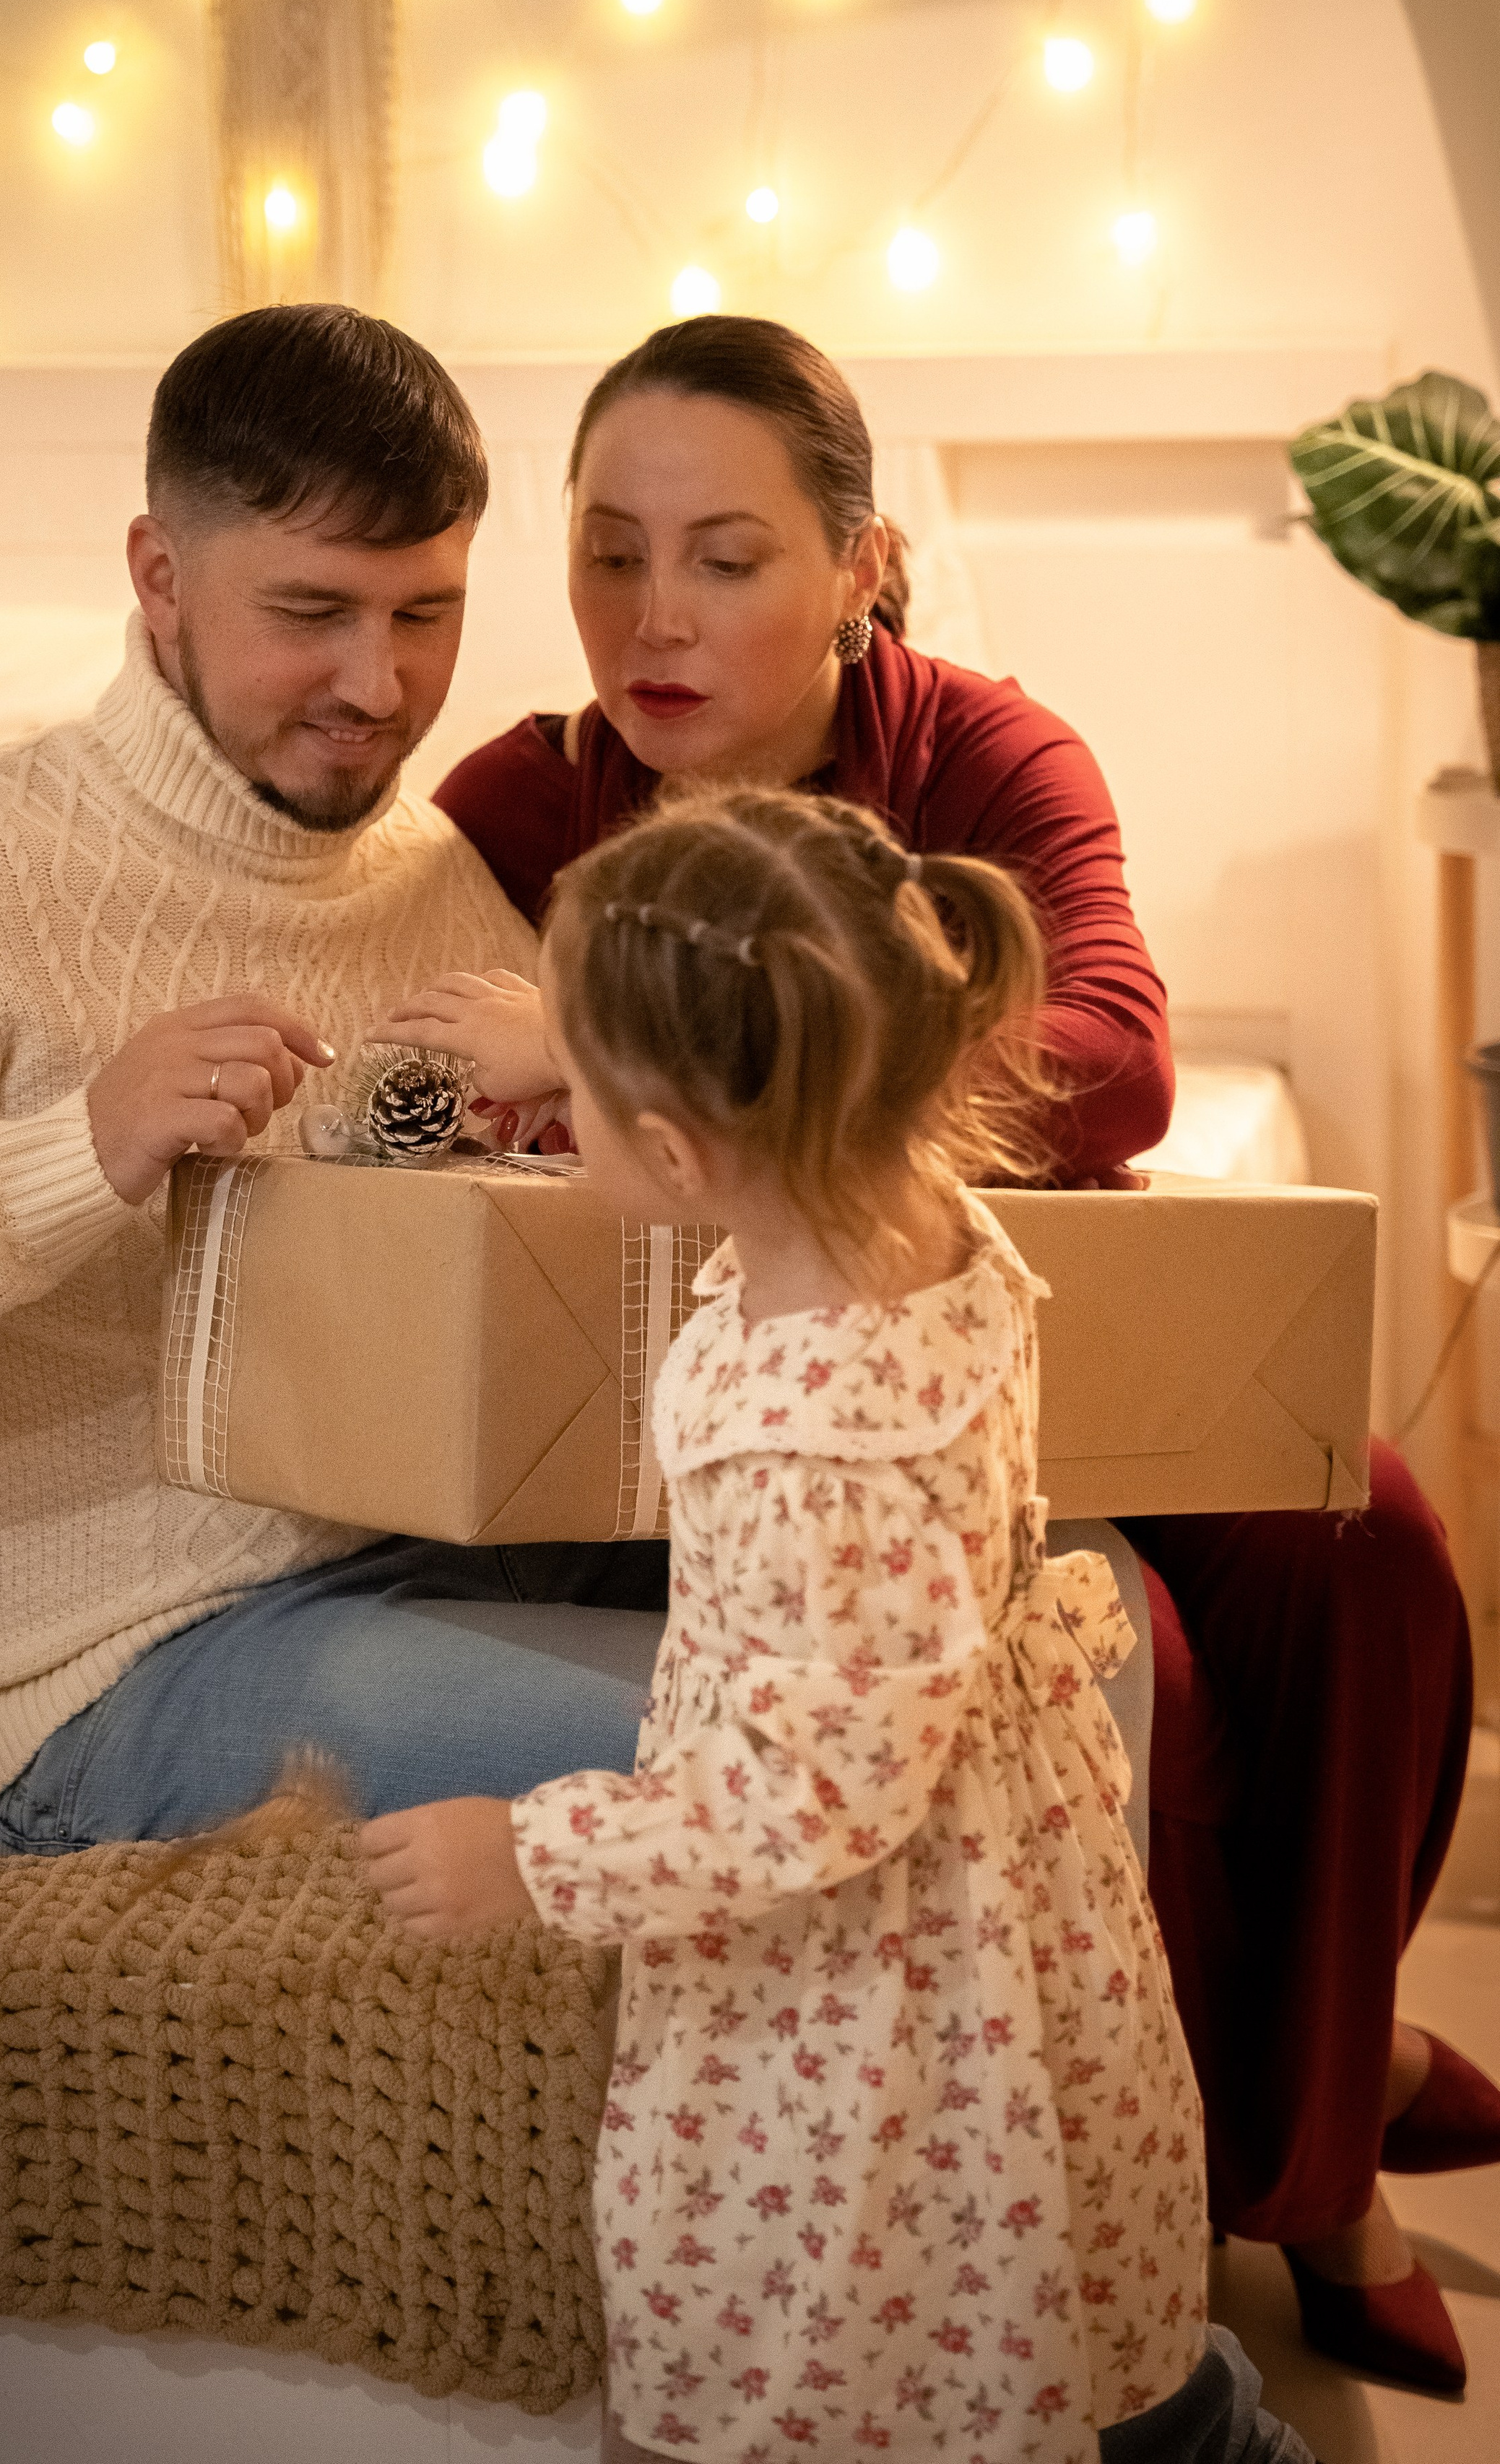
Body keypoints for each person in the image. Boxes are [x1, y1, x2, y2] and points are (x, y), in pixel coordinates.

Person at [401, 314, 1494, 2396]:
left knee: (1372, 1546)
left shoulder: (979, 749)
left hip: (1011, 1320)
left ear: (864, 562)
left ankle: (1311, 2131)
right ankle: (1312, 2153)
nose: (654, 612)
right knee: (1131, 1672)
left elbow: (1121, 1067)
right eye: (609, 549)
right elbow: (409, 1095)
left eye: (726, 554)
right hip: (760, 1415)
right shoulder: (521, 800)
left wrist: (654, 1042)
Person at [0, 303, 679, 1860]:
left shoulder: (435, 874)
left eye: (424, 614)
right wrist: (77, 1152)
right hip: (95, 1669)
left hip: (446, 1552)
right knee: (793, 1749)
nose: (378, 685)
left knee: (985, 1626)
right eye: (311, 611)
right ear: (158, 575)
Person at [363, 786, 1314, 2464]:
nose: (545, 1105)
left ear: (670, 1151)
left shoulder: (818, 1423)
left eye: (572, 1081)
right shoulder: (924, 1229)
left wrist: (536, 1857)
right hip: (995, 1847)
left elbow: (813, 1795)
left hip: (867, 1953)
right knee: (1050, 2261)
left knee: (801, 2322)